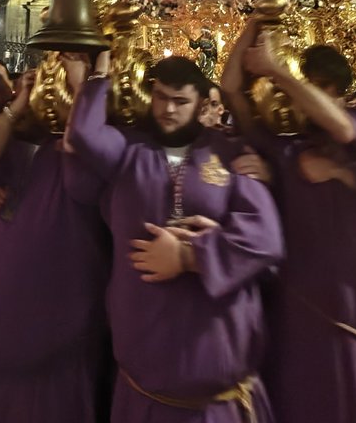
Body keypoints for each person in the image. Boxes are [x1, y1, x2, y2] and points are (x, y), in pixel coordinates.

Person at [222, 27, 356, 423]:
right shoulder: (285, 144)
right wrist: (253, 24)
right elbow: (231, 89)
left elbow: (345, 132)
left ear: (333, 90)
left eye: (313, 88)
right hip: (301, 294)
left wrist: (279, 72)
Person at [67, 52, 284, 422]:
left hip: (219, 388)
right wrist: (98, 73)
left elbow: (265, 237)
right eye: (162, 97)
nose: (168, 109)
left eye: (180, 101)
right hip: (144, 381)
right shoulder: (129, 151)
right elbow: (85, 135)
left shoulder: (228, 152)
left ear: (200, 102)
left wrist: (191, 256)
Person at [0, 57, 109, 423]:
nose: (40, 91)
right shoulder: (8, 144)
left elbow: (91, 175)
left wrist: (83, 92)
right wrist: (15, 108)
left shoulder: (71, 150)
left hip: (49, 367)